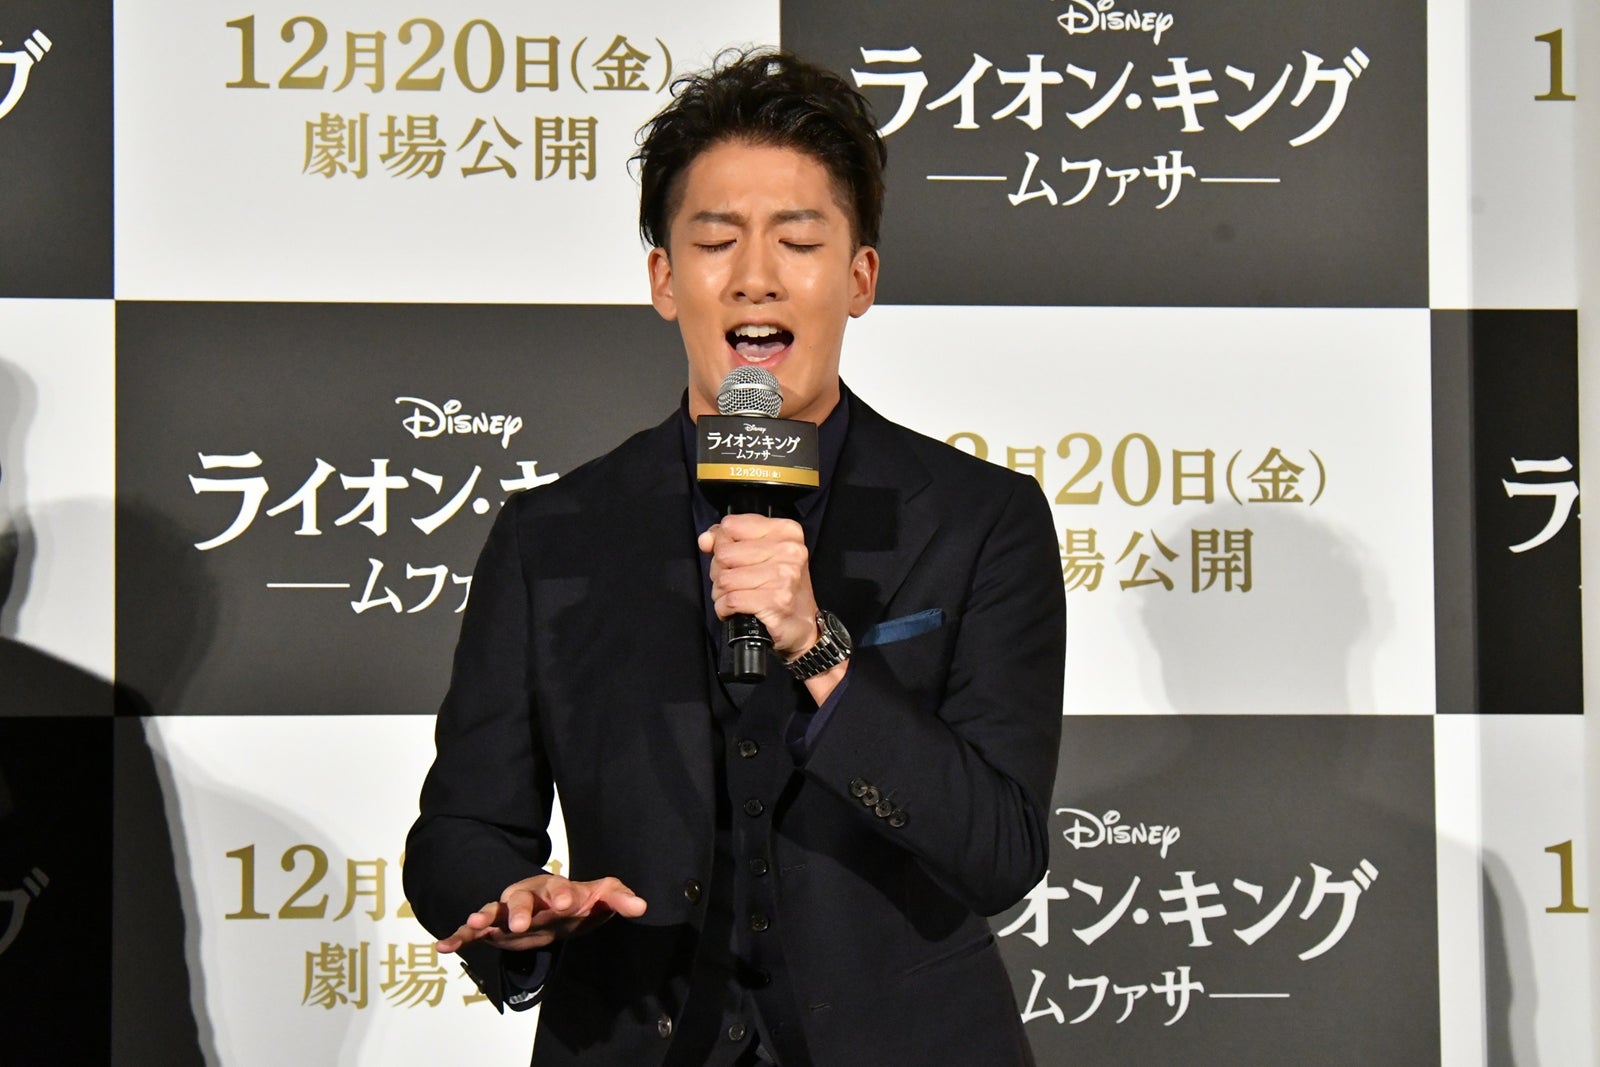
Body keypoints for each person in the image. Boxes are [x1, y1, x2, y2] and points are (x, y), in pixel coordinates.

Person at [403, 48, 1066, 1066]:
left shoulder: (980, 519)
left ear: (860, 277)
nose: (755, 275)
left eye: (798, 241)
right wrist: (512, 898)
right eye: (716, 241)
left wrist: (820, 651)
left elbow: (1001, 850)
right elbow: (460, 825)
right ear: (665, 279)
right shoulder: (552, 532)